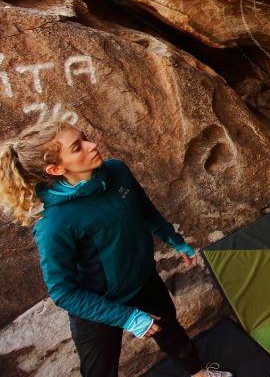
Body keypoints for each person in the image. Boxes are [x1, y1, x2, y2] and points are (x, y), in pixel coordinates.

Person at [0, 120, 233, 377]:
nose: (92, 145)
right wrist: (128, 318)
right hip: (97, 306)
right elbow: (63, 292)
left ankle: (200, 375)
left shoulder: (116, 171)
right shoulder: (53, 224)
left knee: (174, 335)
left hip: (142, 282)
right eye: (78, 147)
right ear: (55, 168)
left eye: (85, 137)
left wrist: (176, 241)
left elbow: (145, 211)